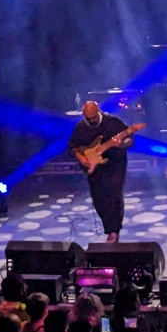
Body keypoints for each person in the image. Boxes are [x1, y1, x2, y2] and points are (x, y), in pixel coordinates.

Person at [68, 100, 133, 243]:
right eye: (88, 119)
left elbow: (130, 139)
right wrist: (81, 158)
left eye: (93, 118)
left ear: (99, 112)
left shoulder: (113, 123)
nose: (91, 122)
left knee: (113, 194)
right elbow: (73, 146)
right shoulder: (81, 128)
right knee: (99, 198)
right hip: (94, 167)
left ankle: (113, 231)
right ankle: (110, 227)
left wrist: (121, 143)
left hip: (115, 164)